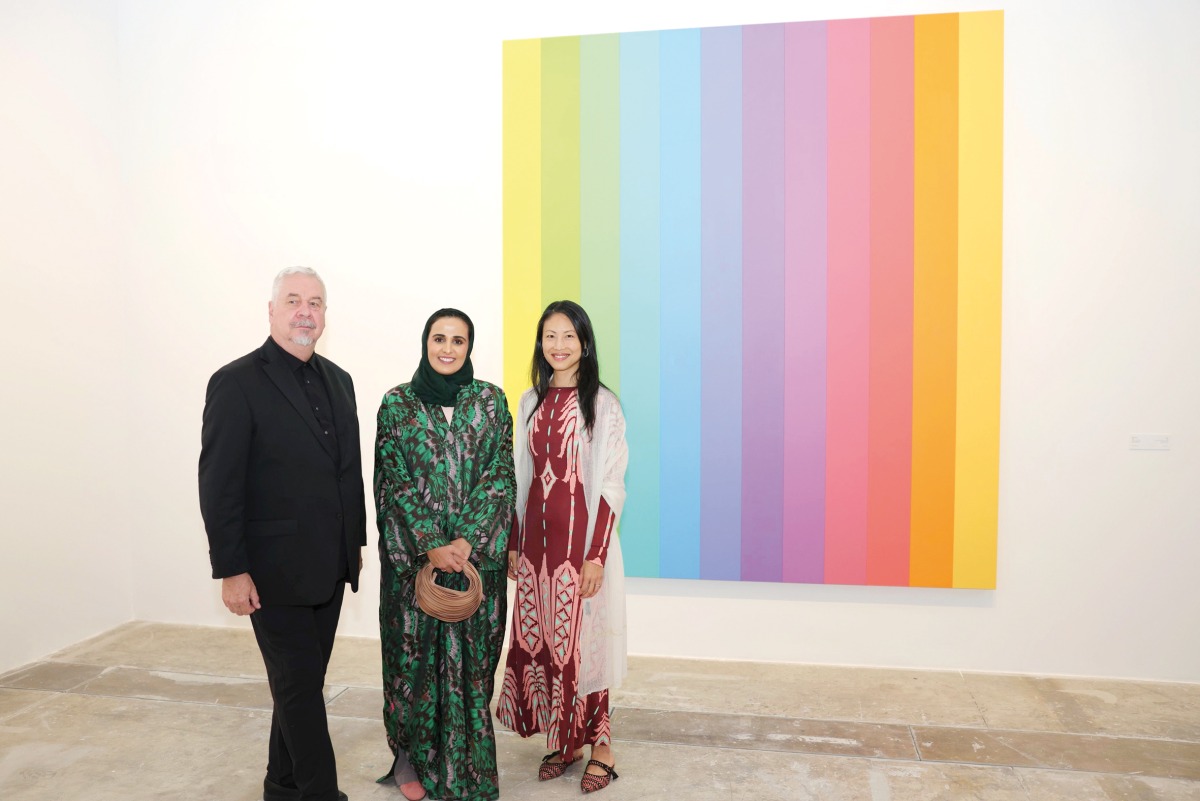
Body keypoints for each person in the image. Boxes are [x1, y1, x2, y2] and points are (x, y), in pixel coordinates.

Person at [199, 267, 366, 801]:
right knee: (300, 692)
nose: (305, 311)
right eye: (293, 300)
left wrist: (354, 547)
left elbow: (347, 472)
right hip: (270, 573)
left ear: (324, 316)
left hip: (330, 566)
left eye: (315, 303)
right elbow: (218, 483)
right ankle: (322, 793)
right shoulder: (236, 381)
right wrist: (231, 569)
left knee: (299, 687)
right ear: (271, 310)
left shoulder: (341, 380)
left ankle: (281, 785)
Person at [374, 308, 515, 801]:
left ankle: (469, 770)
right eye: (439, 338)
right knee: (410, 663)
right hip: (417, 566)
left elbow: (501, 475)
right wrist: (431, 543)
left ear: (470, 347)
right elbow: (393, 480)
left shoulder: (492, 403)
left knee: (472, 670)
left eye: (458, 340)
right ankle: (407, 759)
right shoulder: (398, 404)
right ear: (425, 342)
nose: (448, 349)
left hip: (473, 564)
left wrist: (467, 540)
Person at [496, 300, 629, 794]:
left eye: (568, 336)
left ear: (584, 343)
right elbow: (518, 476)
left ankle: (602, 747)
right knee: (547, 640)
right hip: (536, 550)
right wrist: (513, 542)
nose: (558, 345)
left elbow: (611, 483)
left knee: (584, 647)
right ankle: (565, 738)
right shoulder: (531, 401)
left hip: (580, 549)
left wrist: (596, 555)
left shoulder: (603, 404)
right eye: (550, 336)